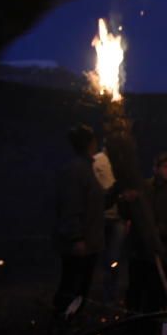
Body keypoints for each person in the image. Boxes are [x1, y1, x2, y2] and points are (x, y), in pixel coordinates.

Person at [122, 152, 167, 335]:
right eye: (164, 166)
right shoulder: (143, 190)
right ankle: (130, 331)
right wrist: (126, 200)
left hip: (159, 254)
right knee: (134, 294)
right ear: (156, 168)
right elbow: (127, 211)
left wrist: (159, 230)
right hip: (139, 252)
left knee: (153, 297)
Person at [53, 124, 105, 319]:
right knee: (72, 286)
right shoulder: (76, 170)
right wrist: (76, 238)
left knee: (79, 286)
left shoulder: (85, 168)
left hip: (87, 241)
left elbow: (92, 203)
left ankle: (70, 322)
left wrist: (116, 195)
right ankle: (63, 323)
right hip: (79, 243)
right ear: (90, 144)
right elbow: (70, 207)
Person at [93, 146, 128, 305]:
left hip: (117, 217)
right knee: (101, 257)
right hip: (100, 216)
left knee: (114, 258)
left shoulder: (122, 162)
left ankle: (111, 295)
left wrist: (127, 216)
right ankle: (101, 294)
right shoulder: (97, 161)